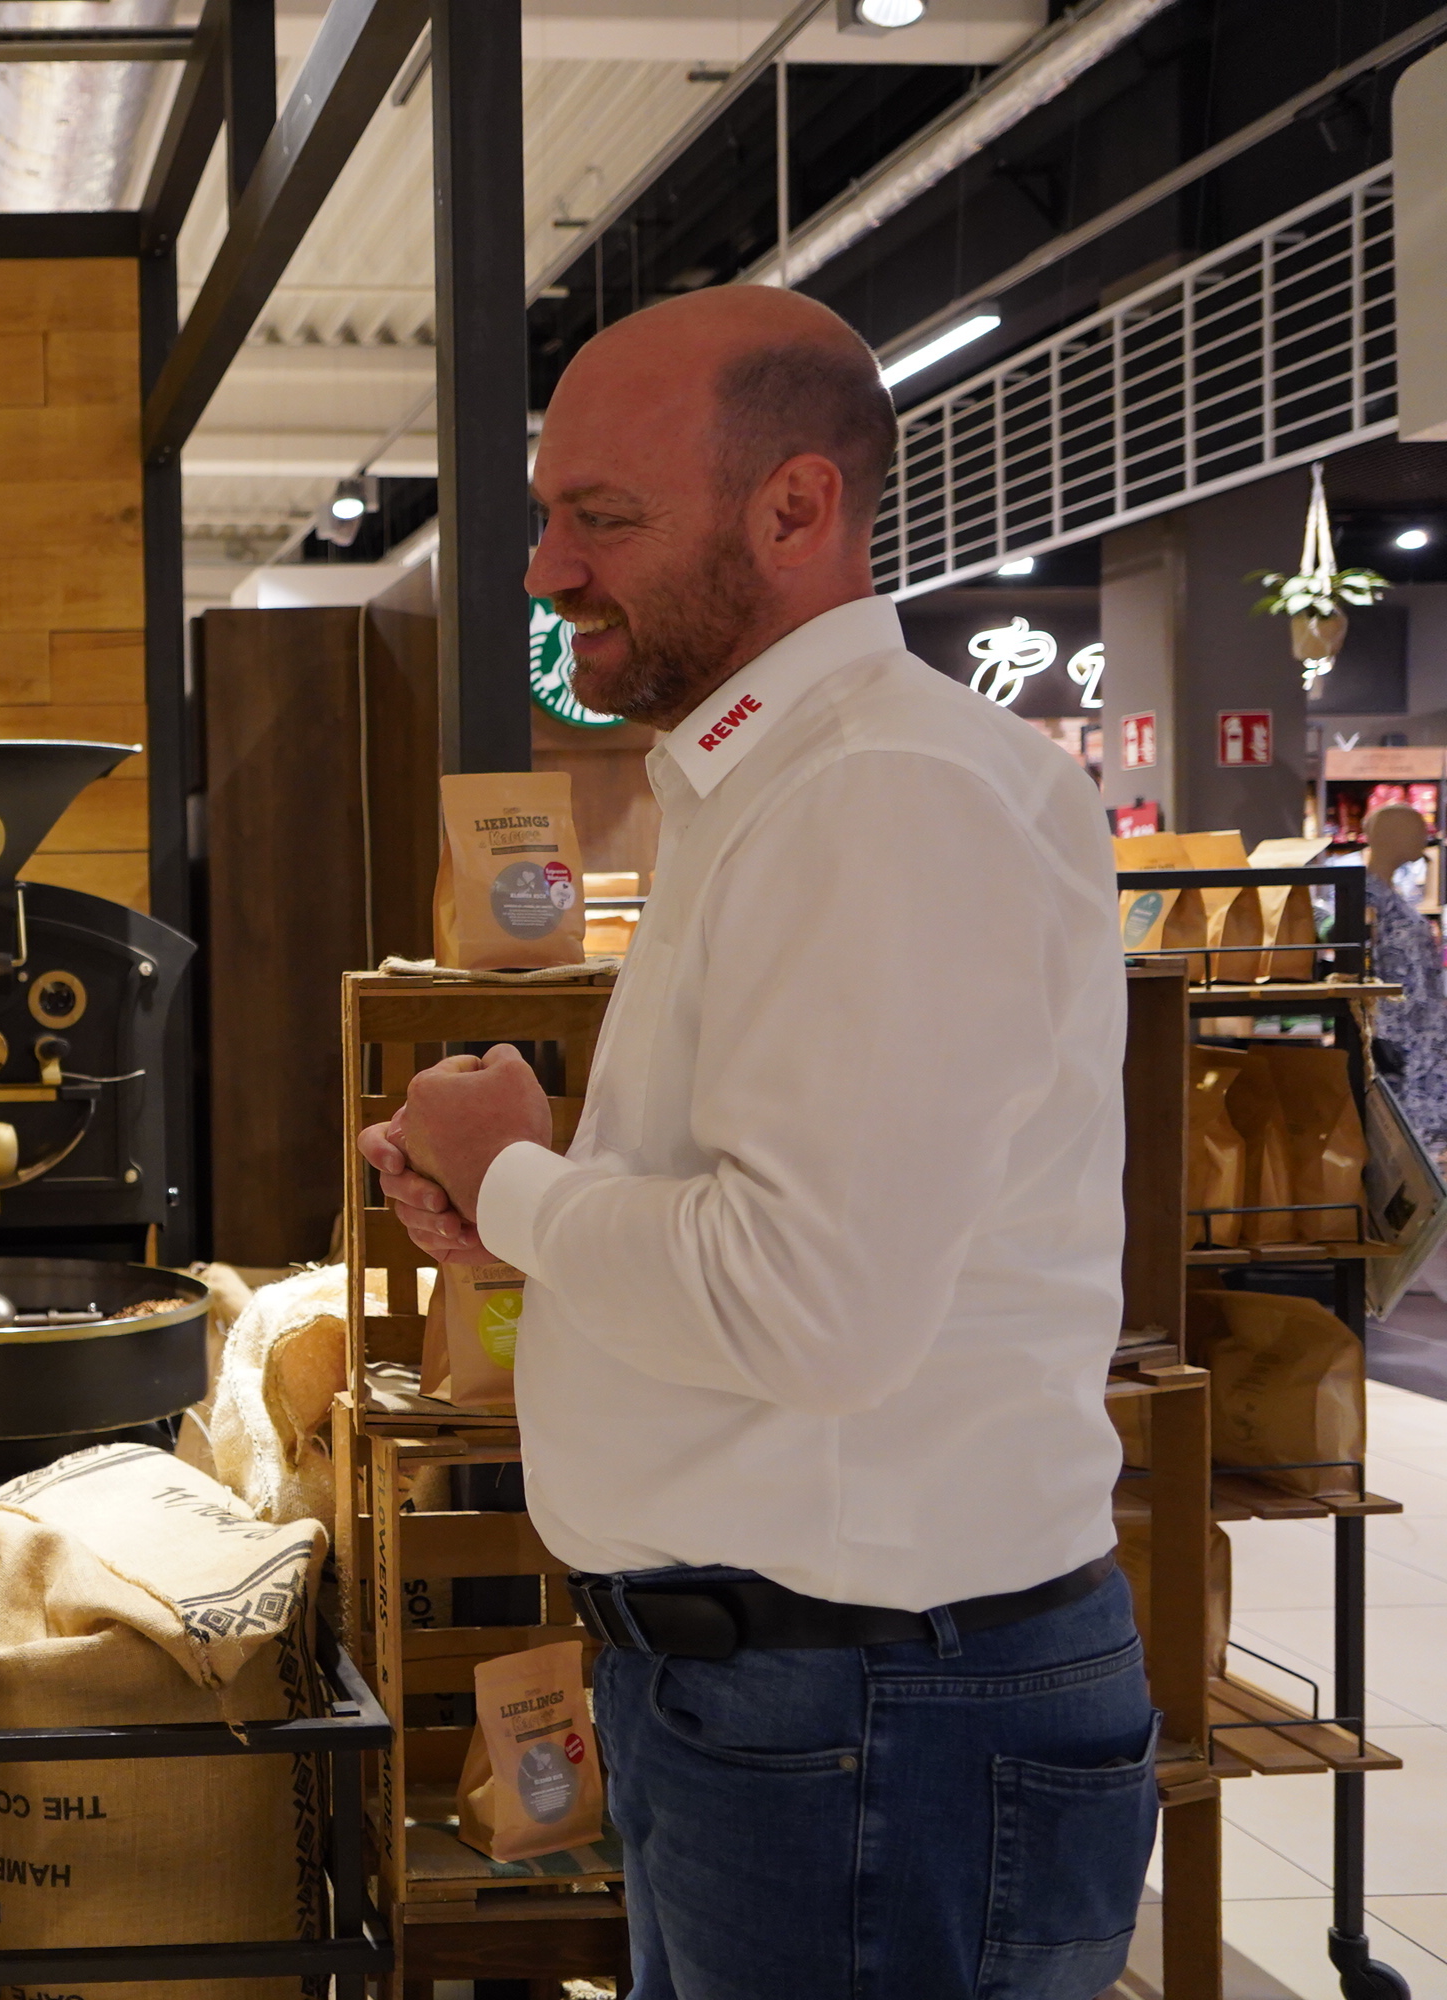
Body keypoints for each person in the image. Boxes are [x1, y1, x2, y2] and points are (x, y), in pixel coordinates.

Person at [356, 287, 1153, 1998]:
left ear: (795, 508)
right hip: (802, 1706)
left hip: (867, 1720)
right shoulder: (782, 785)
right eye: (548, 514)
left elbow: (808, 1311)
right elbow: (805, 1238)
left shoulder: (878, 796)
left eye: (600, 518)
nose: (543, 571)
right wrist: (539, 1214)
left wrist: (512, 1170)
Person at [1364, 802, 1447, 1156]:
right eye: (1416, 828)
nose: (1425, 836)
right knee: (1404, 1150)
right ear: (1390, 836)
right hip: (1400, 1044)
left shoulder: (1386, 896)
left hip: (1419, 1042)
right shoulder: (1367, 900)